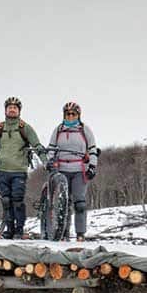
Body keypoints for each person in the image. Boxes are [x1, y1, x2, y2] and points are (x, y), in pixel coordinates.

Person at [0, 96, 46, 239]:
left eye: (15, 108)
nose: (12, 109)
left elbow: (37, 145)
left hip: (19, 171)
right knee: (6, 201)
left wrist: (46, 161)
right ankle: (9, 230)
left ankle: (19, 230)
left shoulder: (24, 128)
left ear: (19, 111)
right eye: (10, 107)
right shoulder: (0, 128)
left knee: (17, 200)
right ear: (5, 110)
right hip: (3, 171)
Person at [47, 101, 98, 241]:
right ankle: (63, 233)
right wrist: (50, 161)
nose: (70, 116)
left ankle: (80, 234)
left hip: (79, 170)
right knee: (64, 203)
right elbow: (51, 148)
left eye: (73, 114)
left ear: (78, 115)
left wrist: (92, 166)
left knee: (79, 203)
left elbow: (93, 149)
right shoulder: (58, 129)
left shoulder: (84, 129)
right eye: (67, 114)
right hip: (62, 169)